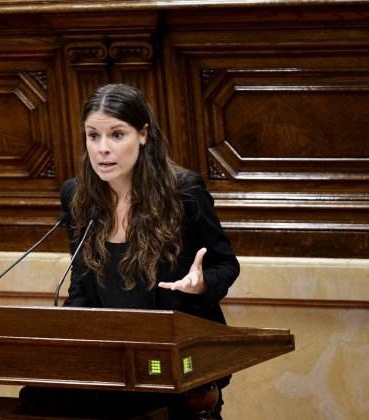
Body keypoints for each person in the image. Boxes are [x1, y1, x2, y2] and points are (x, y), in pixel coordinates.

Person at [58, 83, 240, 419]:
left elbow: (225, 265)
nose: (102, 149)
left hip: (178, 363)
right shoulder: (77, 196)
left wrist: (200, 285)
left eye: (116, 135)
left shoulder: (183, 192)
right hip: (114, 365)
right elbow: (82, 286)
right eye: (93, 136)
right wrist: (68, 335)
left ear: (142, 135)